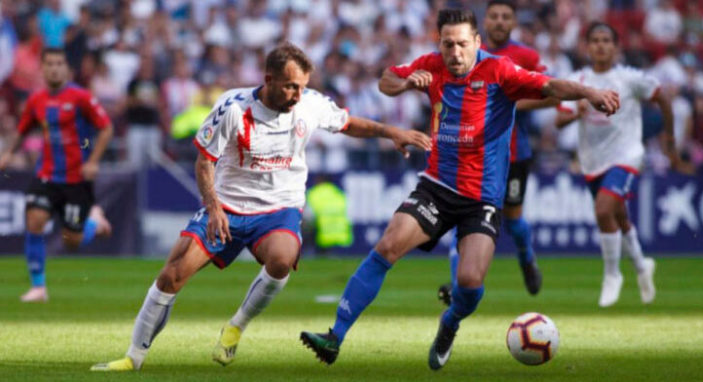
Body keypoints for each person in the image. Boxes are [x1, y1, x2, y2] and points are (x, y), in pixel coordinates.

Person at [300, 9, 619, 371]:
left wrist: (591, 92)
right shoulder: (431, 64)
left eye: (462, 44)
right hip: (436, 186)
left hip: (481, 198)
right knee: (387, 246)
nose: (455, 52)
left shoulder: (499, 71)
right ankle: (335, 336)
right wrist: (406, 84)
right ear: (440, 43)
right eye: (448, 44)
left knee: (468, 283)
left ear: (477, 43)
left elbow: (549, 86)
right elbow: (386, 80)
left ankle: (450, 322)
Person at [90, 42, 431, 372]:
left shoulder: (308, 104)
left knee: (282, 259)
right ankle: (133, 357)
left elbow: (347, 123)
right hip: (227, 205)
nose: (297, 95)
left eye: (302, 87)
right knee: (171, 276)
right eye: (290, 87)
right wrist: (213, 208)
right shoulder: (233, 107)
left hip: (278, 209)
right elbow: (204, 161)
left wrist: (390, 131)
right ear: (268, 80)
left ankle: (236, 327)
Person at [438, 0, 557, 306]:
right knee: (461, 220)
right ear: (484, 24)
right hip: (470, 154)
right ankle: (456, 286)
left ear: (514, 22)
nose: (500, 21)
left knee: (514, 221)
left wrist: (509, 100)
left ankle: (527, 259)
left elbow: (551, 94)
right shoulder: (464, 54)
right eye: (494, 16)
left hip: (513, 153)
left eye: (506, 17)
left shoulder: (526, 56)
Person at [555, 22, 683, 307]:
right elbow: (558, 120)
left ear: (616, 47)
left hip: (627, 155)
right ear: (587, 47)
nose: (600, 45)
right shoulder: (579, 80)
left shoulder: (629, 78)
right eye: (595, 40)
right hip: (592, 160)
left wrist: (669, 138)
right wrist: (577, 112)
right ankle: (641, 265)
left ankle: (612, 275)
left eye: (606, 40)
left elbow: (661, 97)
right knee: (619, 216)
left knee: (603, 210)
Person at [0, 48, 113, 302]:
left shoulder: (81, 97)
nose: (54, 68)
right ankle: (38, 287)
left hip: (76, 180)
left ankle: (95, 223)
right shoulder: (36, 100)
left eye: (59, 63)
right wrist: (8, 154)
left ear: (66, 68)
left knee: (72, 240)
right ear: (42, 68)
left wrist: (93, 161)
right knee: (35, 220)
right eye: (49, 63)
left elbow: (106, 128)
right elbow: (23, 129)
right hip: (46, 175)